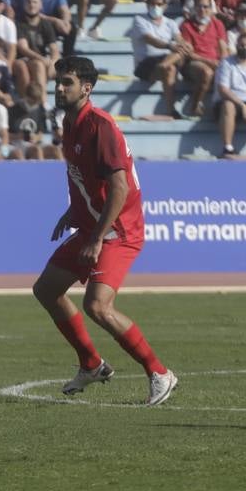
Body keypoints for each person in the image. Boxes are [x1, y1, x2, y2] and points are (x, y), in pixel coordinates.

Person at [32, 55, 177, 406]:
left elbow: (120, 188)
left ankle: (159, 372)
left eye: (67, 82)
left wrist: (97, 238)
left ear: (87, 87)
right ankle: (91, 364)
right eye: (58, 82)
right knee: (47, 289)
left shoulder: (101, 126)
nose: (59, 88)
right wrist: (73, 211)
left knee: (97, 305)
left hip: (118, 230)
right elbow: (87, 179)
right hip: (92, 224)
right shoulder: (71, 122)